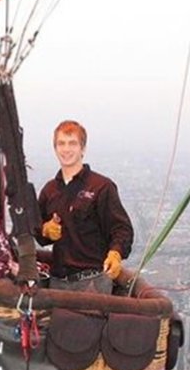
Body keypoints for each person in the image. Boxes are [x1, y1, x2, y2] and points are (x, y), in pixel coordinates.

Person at [36, 120, 133, 293]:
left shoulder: (101, 187)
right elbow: (36, 229)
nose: (66, 149)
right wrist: (45, 230)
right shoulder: (49, 190)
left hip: (93, 282)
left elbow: (121, 228)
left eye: (72, 143)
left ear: (83, 149)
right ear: (55, 149)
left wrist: (116, 253)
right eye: (61, 143)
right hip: (58, 283)